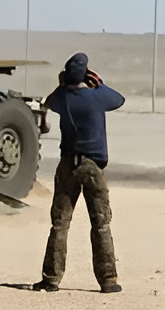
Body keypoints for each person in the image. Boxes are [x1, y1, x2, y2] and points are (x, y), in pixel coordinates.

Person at [34, 52, 125, 294]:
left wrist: (63, 85)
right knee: (101, 223)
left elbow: (50, 100)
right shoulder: (97, 97)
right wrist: (98, 83)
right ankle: (108, 280)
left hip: (68, 164)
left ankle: (51, 280)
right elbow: (119, 99)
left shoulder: (62, 97)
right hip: (92, 166)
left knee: (60, 224)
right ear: (86, 75)